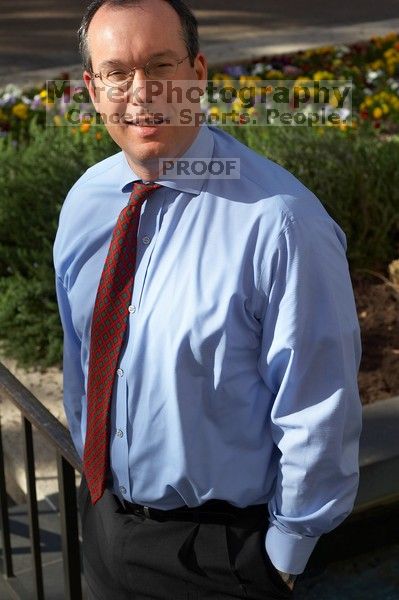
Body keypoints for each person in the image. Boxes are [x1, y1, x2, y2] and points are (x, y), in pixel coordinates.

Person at [53, 0, 363, 598]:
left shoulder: (281, 224)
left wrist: (281, 558)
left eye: (160, 65)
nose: (141, 92)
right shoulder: (87, 201)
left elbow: (319, 409)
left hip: (221, 560)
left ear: (198, 74)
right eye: (117, 72)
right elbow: (81, 356)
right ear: (93, 89)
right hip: (106, 526)